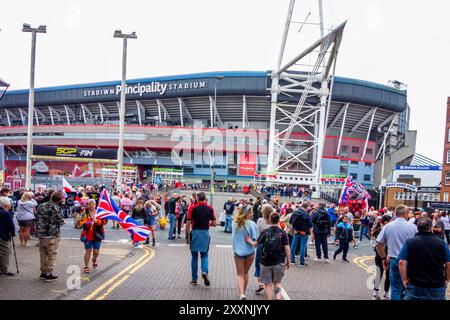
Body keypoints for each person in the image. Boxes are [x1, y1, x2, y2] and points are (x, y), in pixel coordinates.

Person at [399, 218, 450, 300]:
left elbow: (402, 262)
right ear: (431, 228)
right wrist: (447, 279)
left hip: (415, 284)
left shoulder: (409, 242)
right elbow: (448, 264)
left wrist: (404, 279)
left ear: (418, 228)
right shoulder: (442, 243)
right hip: (437, 284)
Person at [375, 205, 417, 300]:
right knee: (409, 288)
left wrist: (383, 258)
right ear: (405, 214)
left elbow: (379, 244)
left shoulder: (388, 226)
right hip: (410, 261)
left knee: (395, 289)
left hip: (394, 260)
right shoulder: (414, 227)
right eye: (408, 213)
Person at [247, 212, 290, 300]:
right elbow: (287, 248)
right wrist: (288, 260)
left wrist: (249, 240)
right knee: (277, 283)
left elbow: (256, 244)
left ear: (269, 220)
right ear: (278, 220)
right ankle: (278, 298)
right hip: (279, 261)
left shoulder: (265, 232)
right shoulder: (282, 233)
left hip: (265, 262)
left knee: (268, 284)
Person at [185, 192, 216, 286]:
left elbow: (188, 223)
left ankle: (194, 279)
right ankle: (204, 271)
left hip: (195, 233)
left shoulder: (192, 208)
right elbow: (214, 223)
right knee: (204, 255)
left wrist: (187, 236)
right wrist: (207, 223)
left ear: (197, 199)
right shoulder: (210, 208)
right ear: (205, 198)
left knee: (194, 257)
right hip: (205, 233)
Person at [35, 191, 66, 282]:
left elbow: (37, 217)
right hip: (52, 234)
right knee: (52, 254)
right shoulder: (57, 208)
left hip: (42, 233)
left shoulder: (41, 205)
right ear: (60, 200)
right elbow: (60, 221)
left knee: (43, 254)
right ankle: (49, 273)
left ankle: (43, 272)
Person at [232, 205, 258, 300]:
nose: (251, 214)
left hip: (238, 252)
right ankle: (244, 291)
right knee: (246, 273)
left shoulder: (235, 223)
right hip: (250, 252)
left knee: (239, 273)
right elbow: (256, 239)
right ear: (247, 213)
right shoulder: (252, 224)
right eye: (250, 212)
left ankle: (241, 294)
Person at [79, 199, 107, 273]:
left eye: (93, 204)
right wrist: (88, 223)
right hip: (88, 234)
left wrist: (97, 221)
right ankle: (86, 266)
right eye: (90, 204)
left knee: (96, 251)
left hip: (97, 234)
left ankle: (94, 259)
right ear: (87, 205)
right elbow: (80, 223)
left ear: (95, 205)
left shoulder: (99, 212)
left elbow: (104, 222)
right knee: (88, 251)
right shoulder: (84, 213)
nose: (91, 206)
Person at [371, 215, 392, 300]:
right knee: (387, 275)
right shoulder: (384, 230)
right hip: (385, 254)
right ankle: (384, 294)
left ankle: (376, 294)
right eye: (391, 220)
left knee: (380, 274)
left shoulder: (379, 229)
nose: (392, 222)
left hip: (379, 254)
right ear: (386, 222)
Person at [254, 204, 273, 294]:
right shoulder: (273, 221)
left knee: (258, 264)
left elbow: (257, 233)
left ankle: (260, 283)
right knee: (269, 264)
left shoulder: (260, 220)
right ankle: (268, 282)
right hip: (272, 245)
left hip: (261, 244)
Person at [289, 202, 312, 267]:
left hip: (296, 231)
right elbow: (310, 224)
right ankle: (301, 262)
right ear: (306, 207)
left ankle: (292, 260)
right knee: (303, 247)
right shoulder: (306, 214)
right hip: (304, 232)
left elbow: (290, 221)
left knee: (293, 246)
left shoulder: (295, 212)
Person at [0, 196, 16, 276]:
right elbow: (11, 226)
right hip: (3, 235)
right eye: (10, 203)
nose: (11, 205)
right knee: (5, 253)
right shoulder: (6, 213)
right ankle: (3, 270)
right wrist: (13, 233)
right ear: (5, 205)